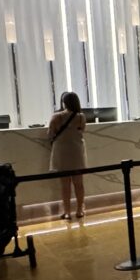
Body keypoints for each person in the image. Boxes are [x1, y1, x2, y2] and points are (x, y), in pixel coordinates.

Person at [48, 91, 87, 220]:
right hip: (76, 151)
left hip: (61, 152)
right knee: (78, 183)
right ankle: (80, 210)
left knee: (65, 185)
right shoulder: (81, 117)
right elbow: (82, 131)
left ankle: (67, 212)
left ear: (64, 103)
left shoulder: (56, 117)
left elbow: (50, 134)